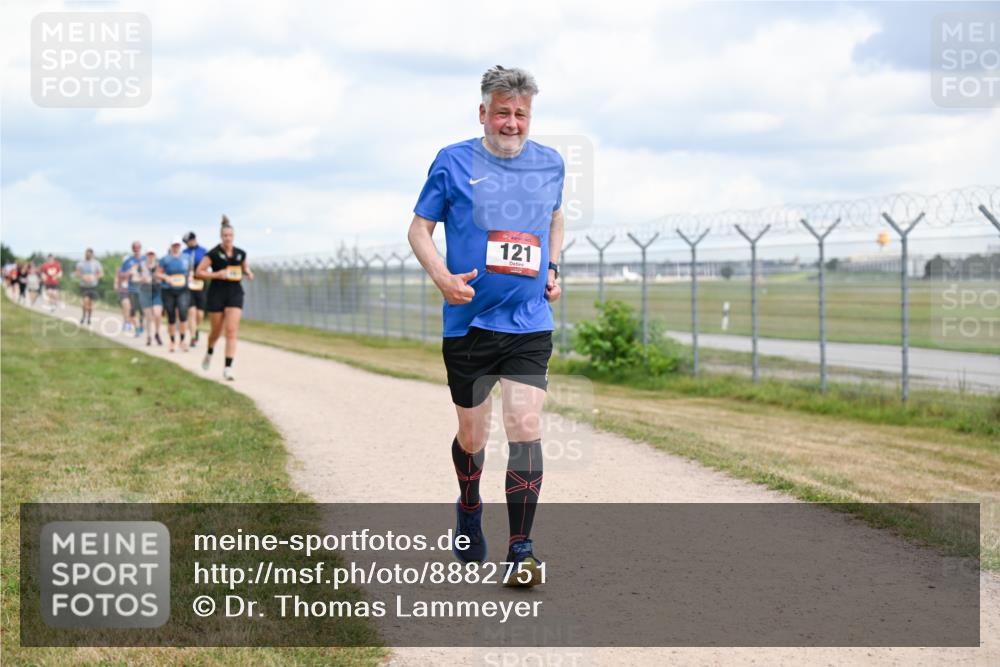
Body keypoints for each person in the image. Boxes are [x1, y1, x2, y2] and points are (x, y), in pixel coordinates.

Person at [407, 66, 564, 587]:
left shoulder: (551, 163)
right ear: (482, 113)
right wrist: (442, 277)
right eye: (502, 113)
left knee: (525, 425)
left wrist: (553, 267)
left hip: (528, 322)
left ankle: (521, 550)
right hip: (469, 323)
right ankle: (470, 504)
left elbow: (555, 216)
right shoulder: (452, 161)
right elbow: (419, 229)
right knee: (473, 437)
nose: (511, 123)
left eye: (521, 114)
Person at [196, 215, 252, 380]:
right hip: (217, 293)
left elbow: (245, 268)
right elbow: (199, 272)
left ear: (233, 236)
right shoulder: (213, 253)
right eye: (225, 235)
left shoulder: (240, 253)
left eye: (230, 235)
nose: (228, 238)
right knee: (216, 331)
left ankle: (228, 367)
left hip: (235, 293)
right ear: (221, 236)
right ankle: (209, 351)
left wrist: (249, 273)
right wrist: (216, 274)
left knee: (231, 330)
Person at [157, 238, 192, 352]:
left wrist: (191, 277)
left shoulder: (186, 258)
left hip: (183, 289)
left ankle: (183, 340)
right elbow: (158, 273)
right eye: (174, 245)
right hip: (168, 290)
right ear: (171, 246)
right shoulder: (165, 259)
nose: (176, 247)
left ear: (180, 246)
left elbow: (190, 271)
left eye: (178, 245)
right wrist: (166, 277)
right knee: (171, 315)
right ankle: (172, 341)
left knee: (183, 313)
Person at [181, 231, 208, 347]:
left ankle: (195, 329)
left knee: (200, 314)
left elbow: (208, 266)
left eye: (189, 241)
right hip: (189, 283)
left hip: (201, 282)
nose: (188, 243)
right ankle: (193, 336)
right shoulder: (184, 253)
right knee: (191, 311)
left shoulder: (203, 251)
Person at [134, 250, 164, 346]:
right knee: (148, 316)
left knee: (157, 313)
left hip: (156, 291)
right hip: (145, 292)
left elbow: (164, 276)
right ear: (146, 255)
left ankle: (157, 333)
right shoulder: (141, 266)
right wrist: (142, 279)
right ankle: (149, 336)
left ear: (155, 256)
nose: (151, 256)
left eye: (152, 254)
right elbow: (135, 278)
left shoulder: (159, 265)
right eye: (149, 254)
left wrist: (159, 278)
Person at [118, 242, 144, 334]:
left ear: (140, 248)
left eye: (138, 247)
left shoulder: (145, 259)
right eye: (134, 247)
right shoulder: (128, 261)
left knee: (142, 310)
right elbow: (121, 274)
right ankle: (135, 327)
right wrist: (128, 273)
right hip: (131, 289)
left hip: (143, 288)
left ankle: (141, 324)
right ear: (132, 249)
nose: (136, 249)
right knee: (130, 308)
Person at [73, 248, 104, 325]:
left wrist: (94, 277)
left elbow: (101, 274)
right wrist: (83, 277)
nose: (88, 255)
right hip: (84, 286)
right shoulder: (81, 263)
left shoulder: (96, 263)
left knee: (90, 304)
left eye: (89, 254)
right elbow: (76, 273)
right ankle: (84, 316)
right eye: (87, 254)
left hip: (93, 286)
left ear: (92, 255)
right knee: (85, 302)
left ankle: (89, 318)